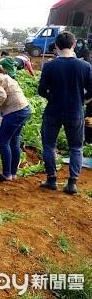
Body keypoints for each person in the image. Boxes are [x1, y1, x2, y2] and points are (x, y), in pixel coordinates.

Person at [38, 32, 92, 194]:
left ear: (56, 46)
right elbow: (91, 91)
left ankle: (52, 179)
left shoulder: (49, 66)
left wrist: (51, 96)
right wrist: (82, 100)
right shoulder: (85, 66)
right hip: (75, 111)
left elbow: (41, 90)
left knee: (49, 145)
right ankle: (72, 183)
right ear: (74, 45)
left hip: (53, 110)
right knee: (76, 148)